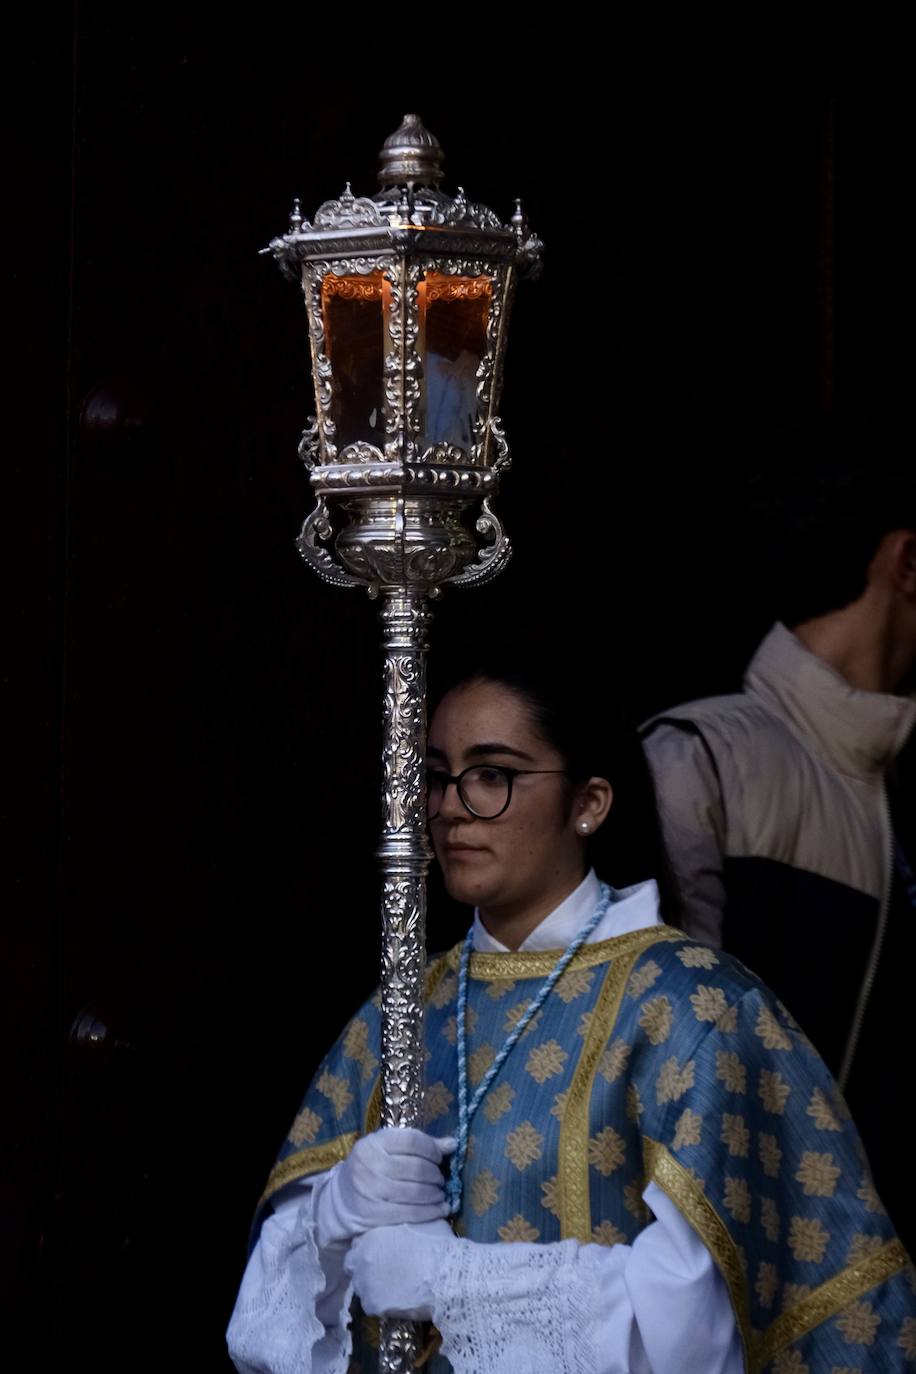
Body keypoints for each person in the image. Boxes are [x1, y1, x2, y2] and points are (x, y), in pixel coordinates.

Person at [227, 653, 914, 1374]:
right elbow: (268, 1322)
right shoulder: (399, 1012)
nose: (453, 807)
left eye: (493, 774)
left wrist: (447, 1281)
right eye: (436, 776)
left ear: (588, 803)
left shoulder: (692, 1007)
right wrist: (334, 1214)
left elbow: (696, 1325)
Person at [641, 465, 916, 1249]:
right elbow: (662, 1072)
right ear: (906, 561)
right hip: (716, 1298)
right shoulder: (697, 755)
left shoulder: (896, 788)